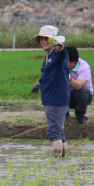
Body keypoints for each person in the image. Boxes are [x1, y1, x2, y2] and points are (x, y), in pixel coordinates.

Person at [30, 26, 69, 158]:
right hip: (53, 97)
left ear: (54, 39)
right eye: (41, 38)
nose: (43, 41)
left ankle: (57, 163)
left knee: (54, 131)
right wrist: (39, 84)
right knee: (59, 131)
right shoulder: (49, 55)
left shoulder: (57, 53)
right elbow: (50, 74)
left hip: (56, 99)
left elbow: (62, 53)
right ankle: (63, 160)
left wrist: (60, 46)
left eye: (46, 38)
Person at [66, 46, 93, 126]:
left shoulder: (84, 67)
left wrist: (68, 77)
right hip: (66, 96)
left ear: (73, 63)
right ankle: (64, 113)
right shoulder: (59, 65)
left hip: (82, 97)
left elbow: (78, 86)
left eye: (65, 61)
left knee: (83, 90)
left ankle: (80, 114)